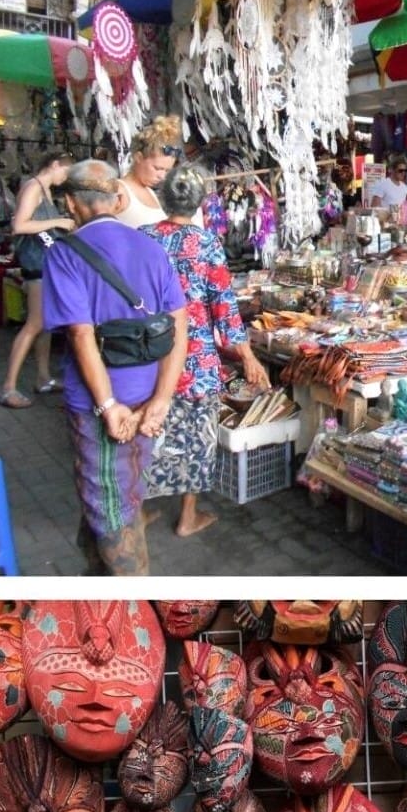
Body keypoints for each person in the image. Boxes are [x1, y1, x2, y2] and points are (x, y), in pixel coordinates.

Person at [41, 160, 187, 575]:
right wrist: (161, 399)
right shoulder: (151, 247)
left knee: (110, 504)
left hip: (100, 407)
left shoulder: (64, 255)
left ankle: (130, 593)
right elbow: (180, 325)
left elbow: (81, 336)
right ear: (118, 199)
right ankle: (99, 575)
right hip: (144, 399)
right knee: (125, 490)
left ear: (70, 202)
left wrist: (107, 406)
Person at [140, 163, 270, 537]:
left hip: (150, 354)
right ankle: (187, 517)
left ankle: (142, 509)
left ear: (163, 199)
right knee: (196, 437)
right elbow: (224, 307)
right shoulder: (205, 243)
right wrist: (247, 356)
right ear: (198, 203)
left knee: (152, 428)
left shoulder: (144, 237)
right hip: (195, 357)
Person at [0, 149, 76, 407]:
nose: (65, 178)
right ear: (54, 165)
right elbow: (19, 225)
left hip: (46, 263)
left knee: (45, 324)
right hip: (36, 265)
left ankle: (43, 377)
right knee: (34, 324)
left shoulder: (45, 190)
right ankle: (8, 387)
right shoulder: (33, 187)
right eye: (65, 171)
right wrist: (59, 222)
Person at [114, 116, 182, 227]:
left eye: (167, 170)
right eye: (157, 168)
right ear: (139, 157)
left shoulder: (150, 192)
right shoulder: (120, 190)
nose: (162, 176)